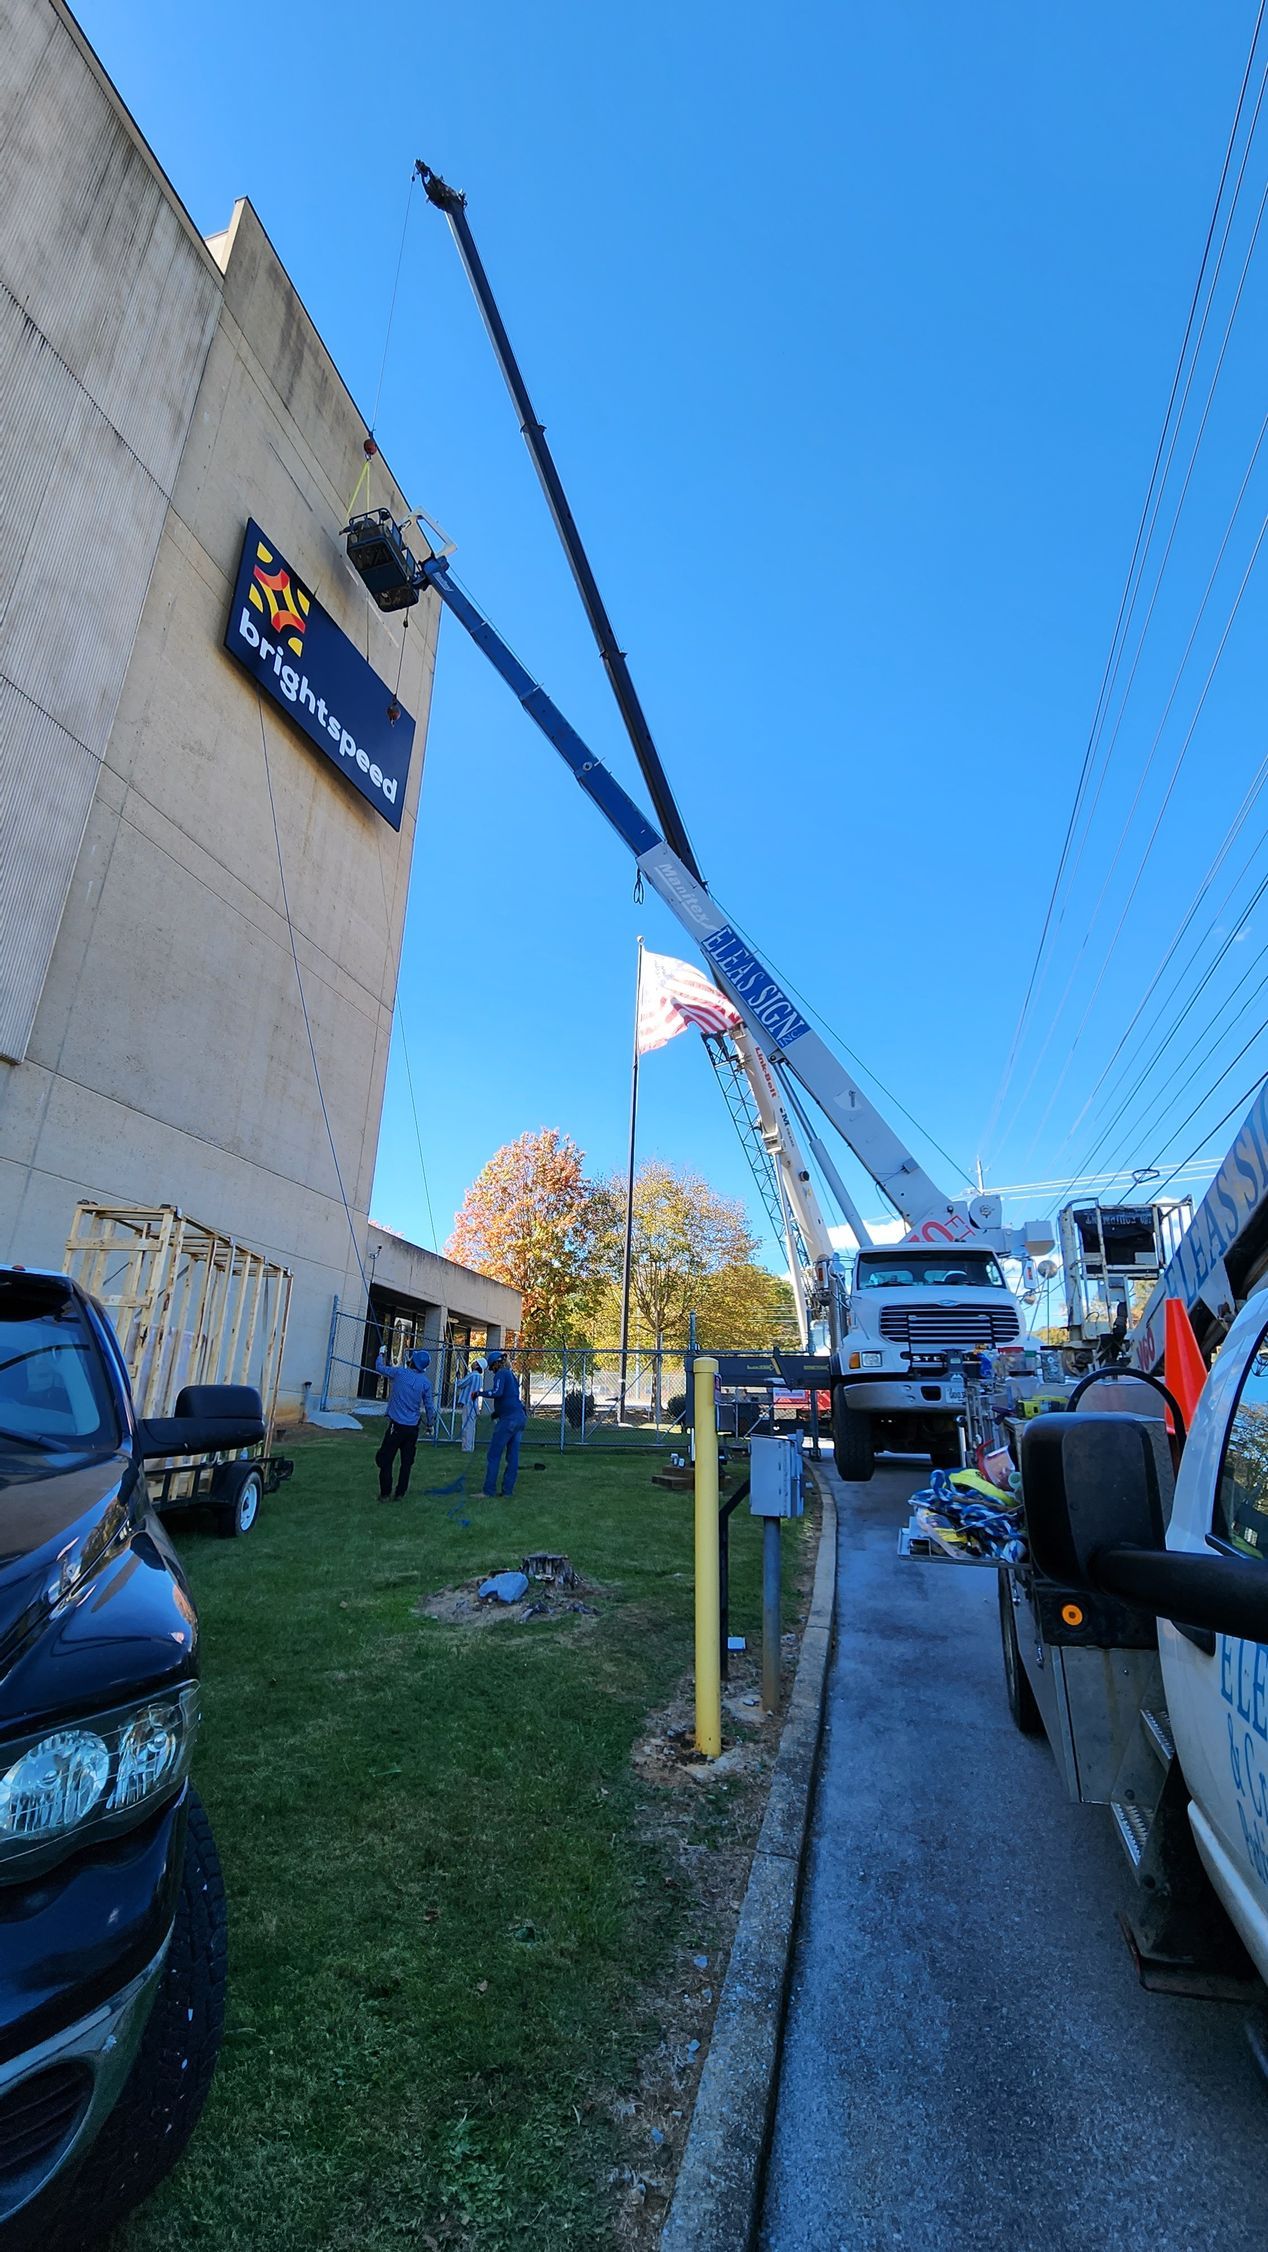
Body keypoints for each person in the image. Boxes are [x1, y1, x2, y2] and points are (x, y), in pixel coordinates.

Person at [373, 1342, 435, 1500]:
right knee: (406, 1463)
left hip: (396, 1427)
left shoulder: (400, 1373)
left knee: (385, 1460)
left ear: (412, 1361)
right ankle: (400, 1493)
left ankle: (385, 1493)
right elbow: (429, 1406)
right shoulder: (426, 1383)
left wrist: (381, 1353)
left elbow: (379, 1368)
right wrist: (430, 1424)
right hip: (412, 1429)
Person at [481, 1349, 527, 1498]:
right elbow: (510, 1396)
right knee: (512, 1456)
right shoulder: (511, 1375)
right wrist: (498, 1411)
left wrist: (479, 1393)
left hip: (508, 1420)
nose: (492, 1371)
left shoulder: (501, 1373)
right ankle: (507, 1491)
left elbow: (497, 1392)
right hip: (519, 1417)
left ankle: (489, 1491)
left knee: (494, 1455)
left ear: (495, 1364)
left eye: (491, 1368)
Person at [455, 1357, 485, 1454]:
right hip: (474, 1404)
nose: (473, 1364)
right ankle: (470, 1446)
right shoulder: (480, 1378)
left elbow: (461, 1384)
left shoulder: (472, 1376)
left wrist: (458, 1377)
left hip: (468, 1403)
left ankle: (466, 1448)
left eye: (475, 1363)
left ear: (477, 1365)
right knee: (471, 1427)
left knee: (466, 1426)